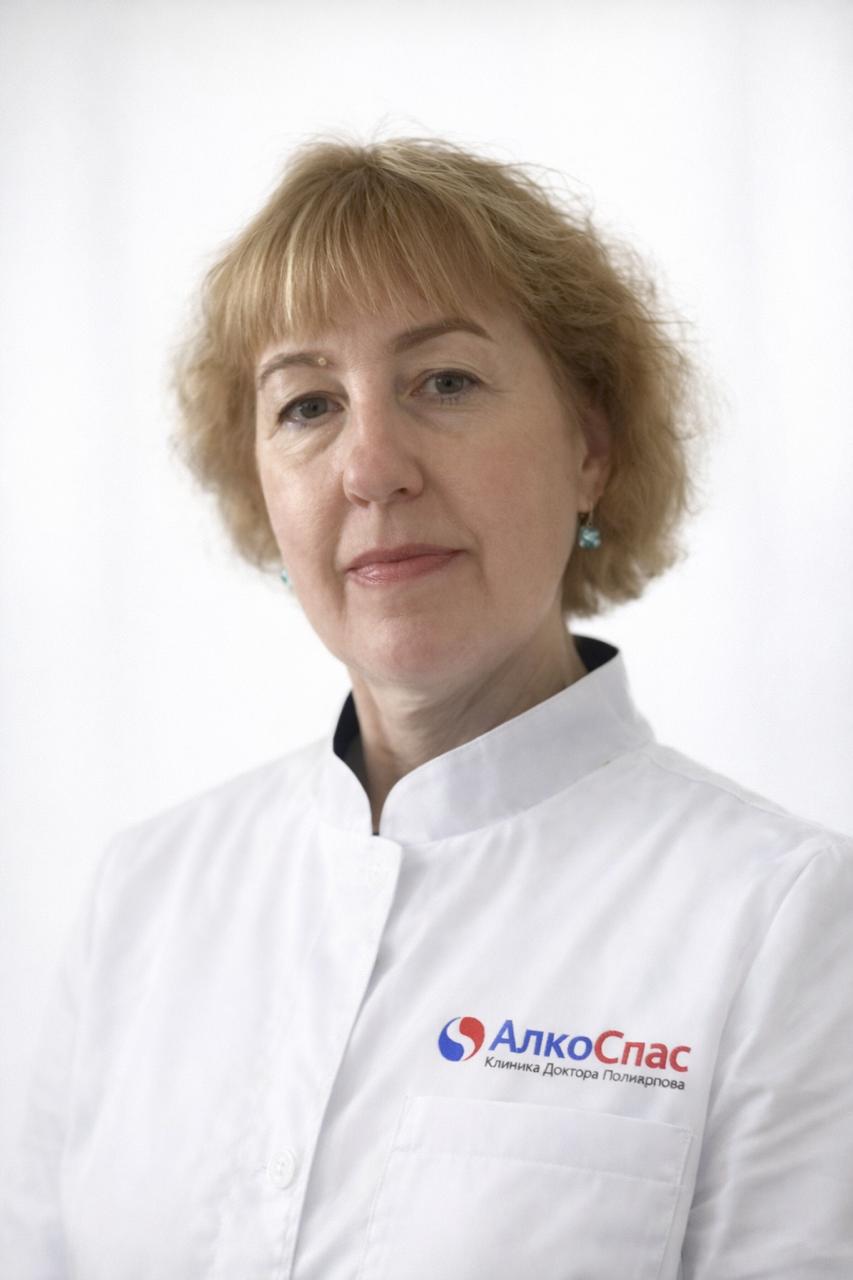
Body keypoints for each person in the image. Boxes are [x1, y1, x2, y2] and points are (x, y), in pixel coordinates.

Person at [2, 133, 852, 1279]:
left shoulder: (780, 915)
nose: (372, 466)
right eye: (307, 404)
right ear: (259, 482)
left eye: (443, 381)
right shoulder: (144, 895)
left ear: (590, 447)